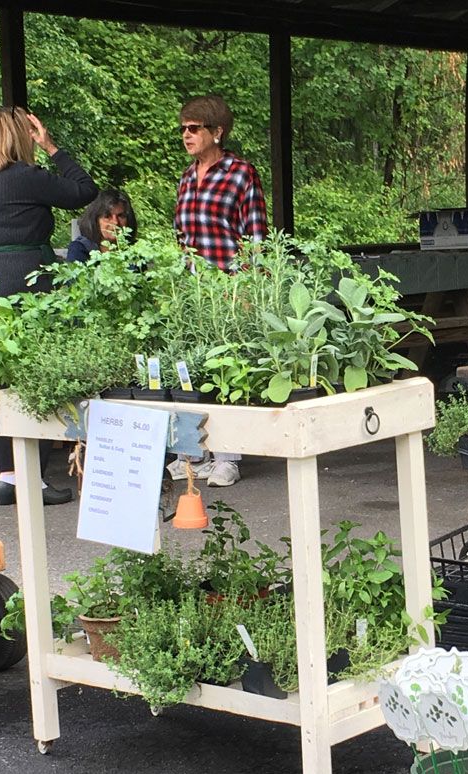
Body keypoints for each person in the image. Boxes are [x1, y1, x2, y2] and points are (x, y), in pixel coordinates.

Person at [0, 106, 98, 505]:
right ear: (17, 138)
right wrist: (51, 146)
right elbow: (85, 191)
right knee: (37, 376)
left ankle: (8, 475)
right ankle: (32, 479)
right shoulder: (25, 177)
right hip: (27, 279)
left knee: (0, 376)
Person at [171, 94, 268, 487]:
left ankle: (228, 458)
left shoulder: (241, 173)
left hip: (229, 285)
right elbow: (180, 236)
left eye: (194, 128)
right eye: (183, 129)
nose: (186, 135)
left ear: (217, 132)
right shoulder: (186, 177)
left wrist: (248, 286)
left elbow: (256, 236)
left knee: (228, 368)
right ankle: (193, 455)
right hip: (193, 289)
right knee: (192, 368)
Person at [67, 188, 138, 262]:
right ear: (95, 220)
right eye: (107, 216)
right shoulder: (80, 249)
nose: (115, 222)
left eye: (121, 216)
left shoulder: (135, 250)